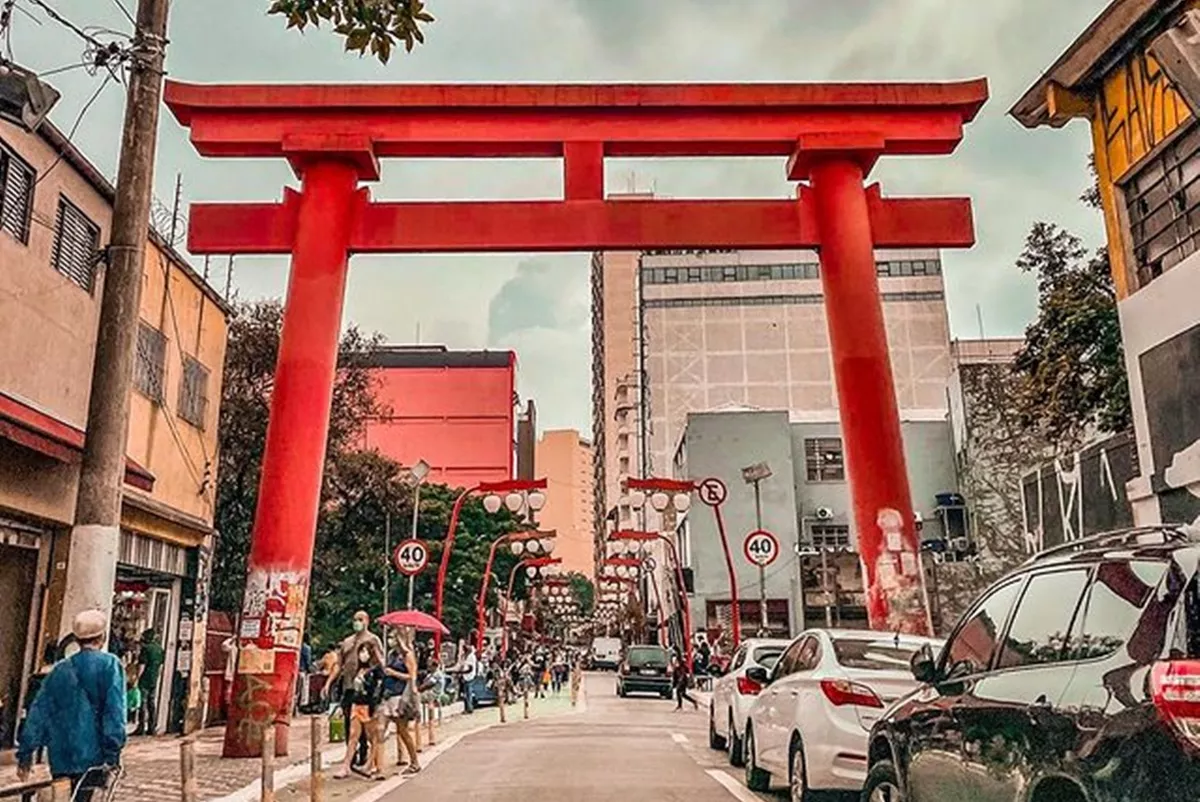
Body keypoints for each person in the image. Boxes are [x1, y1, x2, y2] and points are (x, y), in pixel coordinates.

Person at [17, 610, 127, 801]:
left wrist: (26, 752)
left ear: (76, 638)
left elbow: (39, 713)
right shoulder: (110, 665)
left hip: (60, 756)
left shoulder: (59, 670)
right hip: (94, 756)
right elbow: (114, 713)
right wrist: (113, 753)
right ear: (102, 637)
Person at [324, 611, 384, 769]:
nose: (357, 622)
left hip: (365, 689)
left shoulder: (372, 640)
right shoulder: (347, 642)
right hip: (348, 686)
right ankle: (352, 755)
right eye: (355, 619)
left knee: (365, 725)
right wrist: (328, 683)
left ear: (367, 621)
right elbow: (338, 664)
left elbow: (380, 663)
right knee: (348, 724)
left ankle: (366, 754)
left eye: (360, 619)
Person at [333, 641, 383, 780]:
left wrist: (375, 706)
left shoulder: (376, 671)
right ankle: (346, 766)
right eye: (361, 651)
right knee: (353, 736)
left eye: (366, 651)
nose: (363, 654)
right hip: (357, 704)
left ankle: (370, 764)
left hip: (369, 706)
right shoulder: (358, 670)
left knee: (371, 737)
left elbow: (378, 689)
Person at [378, 627, 421, 774]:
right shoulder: (391, 655)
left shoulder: (408, 655)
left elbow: (411, 676)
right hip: (388, 694)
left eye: (393, 637)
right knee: (379, 728)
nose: (390, 640)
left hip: (400, 696)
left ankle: (414, 761)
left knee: (402, 731)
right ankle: (376, 766)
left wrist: (394, 673)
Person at [135, 629, 164, 735]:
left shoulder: (146, 649)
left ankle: (141, 726)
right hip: (154, 678)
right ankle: (152, 727)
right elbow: (160, 666)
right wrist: (156, 677)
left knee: (142, 702)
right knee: (151, 702)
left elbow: (142, 665)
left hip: (145, 678)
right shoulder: (159, 649)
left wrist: (137, 678)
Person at [457, 643, 479, 714]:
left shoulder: (471, 657)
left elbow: (470, 668)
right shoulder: (465, 656)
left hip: (469, 677)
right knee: (465, 694)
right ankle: (467, 708)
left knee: (468, 694)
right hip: (465, 677)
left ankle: (469, 708)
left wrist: (462, 672)